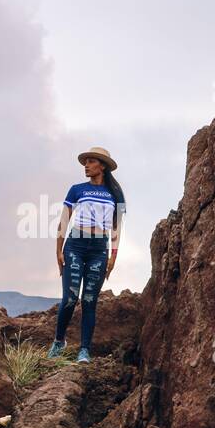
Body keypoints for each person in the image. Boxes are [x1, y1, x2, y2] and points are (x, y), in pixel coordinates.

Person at [48, 146, 125, 363]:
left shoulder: (115, 195)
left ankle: (84, 350)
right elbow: (64, 221)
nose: (86, 165)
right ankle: (58, 342)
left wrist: (113, 257)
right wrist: (58, 251)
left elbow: (116, 229)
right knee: (70, 298)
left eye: (91, 161)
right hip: (75, 246)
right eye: (85, 162)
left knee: (90, 300)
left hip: (99, 250)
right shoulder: (76, 189)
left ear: (102, 166)